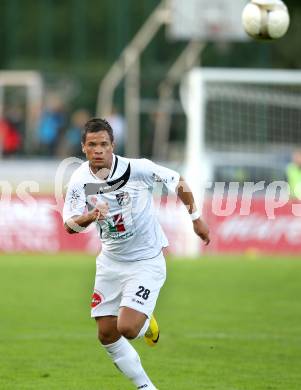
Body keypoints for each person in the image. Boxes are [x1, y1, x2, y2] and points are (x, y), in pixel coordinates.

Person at [63, 118, 210, 389]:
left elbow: (178, 181)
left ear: (113, 146)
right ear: (83, 147)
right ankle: (146, 387)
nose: (98, 150)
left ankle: (145, 322)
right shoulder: (79, 179)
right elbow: (69, 225)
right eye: (92, 145)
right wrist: (90, 216)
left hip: (146, 261)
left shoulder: (137, 169)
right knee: (106, 333)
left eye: (104, 144)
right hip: (110, 262)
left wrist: (196, 218)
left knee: (128, 328)